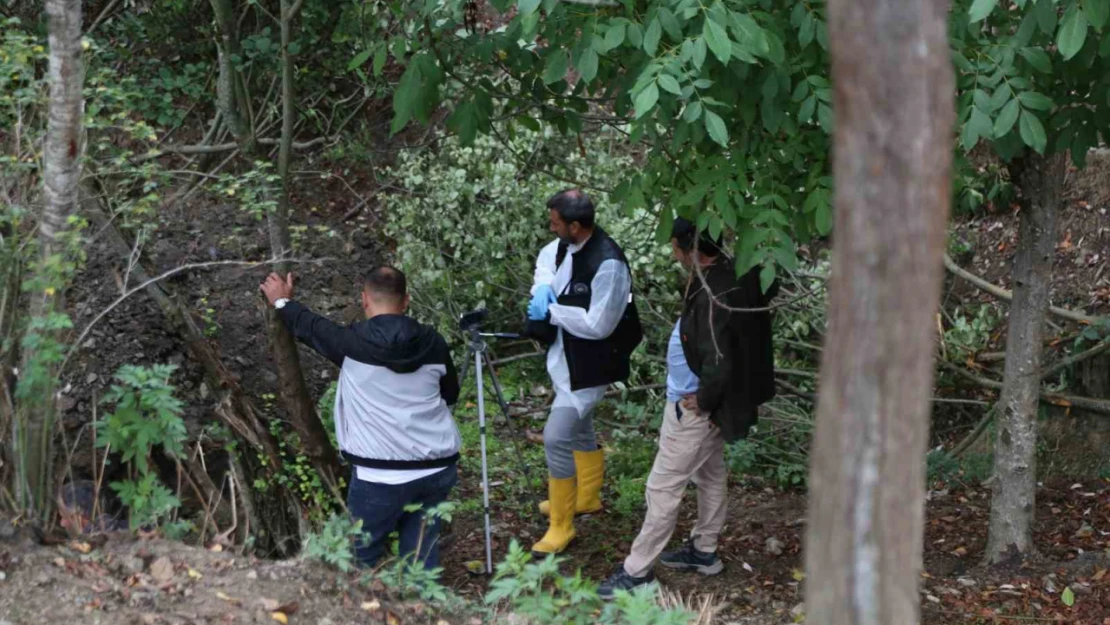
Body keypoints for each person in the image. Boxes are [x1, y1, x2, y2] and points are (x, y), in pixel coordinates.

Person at [598, 217, 776, 598]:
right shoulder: (731, 272)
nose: (674, 254)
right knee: (710, 475)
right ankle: (704, 551)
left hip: (695, 409)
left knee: (661, 487)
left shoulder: (719, 292)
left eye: (677, 248)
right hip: (705, 403)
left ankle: (637, 571)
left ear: (691, 250)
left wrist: (705, 400)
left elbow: (721, 357)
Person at [259, 266, 461, 570]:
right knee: (421, 557)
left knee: (359, 560)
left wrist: (282, 301)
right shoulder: (434, 343)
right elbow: (450, 394)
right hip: (436, 469)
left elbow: (309, 326)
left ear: (364, 299)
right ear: (406, 300)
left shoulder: (350, 344)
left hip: (379, 476)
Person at [523, 189, 643, 557]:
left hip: (593, 363)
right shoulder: (564, 245)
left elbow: (599, 324)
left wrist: (553, 311)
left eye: (555, 223)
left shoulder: (608, 264)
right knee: (582, 426)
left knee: (558, 436)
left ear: (575, 226)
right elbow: (546, 262)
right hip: (567, 357)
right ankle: (587, 497)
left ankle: (561, 526)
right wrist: (543, 286)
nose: (551, 227)